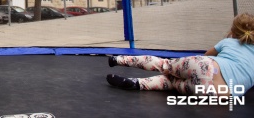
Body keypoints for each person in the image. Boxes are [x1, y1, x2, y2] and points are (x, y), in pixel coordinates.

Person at [106, 13, 254, 97]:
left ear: (233, 32)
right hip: (213, 93)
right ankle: (137, 83)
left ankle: (117, 59)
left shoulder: (228, 42)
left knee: (164, 65)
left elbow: (207, 55)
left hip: (206, 66)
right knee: (170, 83)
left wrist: (173, 68)